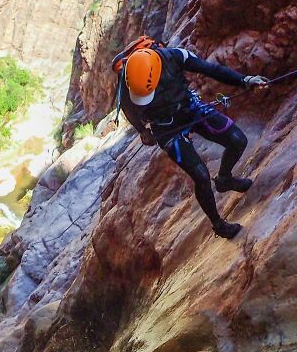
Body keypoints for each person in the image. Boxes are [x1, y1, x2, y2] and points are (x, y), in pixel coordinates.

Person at [114, 39, 268, 239]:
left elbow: (210, 69)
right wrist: (142, 130)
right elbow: (129, 109)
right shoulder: (129, 79)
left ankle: (224, 179)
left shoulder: (175, 56)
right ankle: (218, 225)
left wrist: (244, 80)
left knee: (237, 140)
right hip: (165, 127)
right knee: (201, 175)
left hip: (189, 108)